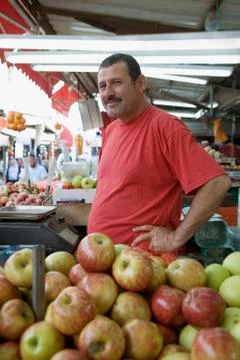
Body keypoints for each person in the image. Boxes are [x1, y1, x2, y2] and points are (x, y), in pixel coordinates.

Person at [87, 53, 231, 261]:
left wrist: (175, 238)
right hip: (103, 259)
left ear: (140, 83)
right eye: (102, 86)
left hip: (144, 263)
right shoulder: (111, 131)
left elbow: (217, 183)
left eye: (116, 83)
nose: (108, 93)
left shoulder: (166, 127)